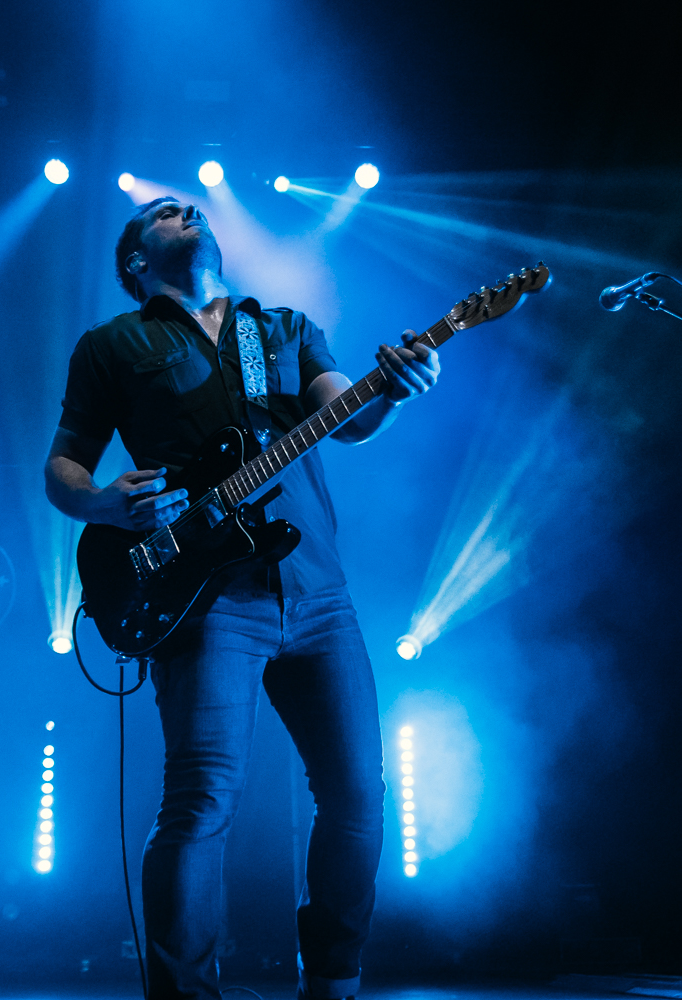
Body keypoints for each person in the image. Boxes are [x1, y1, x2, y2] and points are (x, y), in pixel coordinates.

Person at [44, 197, 441, 1000]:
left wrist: (395, 390)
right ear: (136, 261)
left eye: (190, 206)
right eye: (165, 212)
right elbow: (63, 470)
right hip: (204, 596)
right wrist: (105, 504)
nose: (187, 207)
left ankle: (333, 980)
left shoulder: (284, 329)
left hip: (318, 593)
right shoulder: (113, 345)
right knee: (200, 800)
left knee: (359, 794)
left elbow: (349, 419)